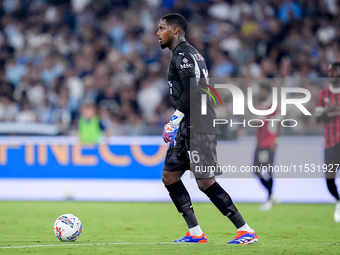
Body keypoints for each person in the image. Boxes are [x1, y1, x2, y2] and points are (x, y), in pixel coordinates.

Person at [157, 13, 258, 244]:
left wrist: (174, 119)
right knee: (170, 176)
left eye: (162, 28)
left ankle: (246, 230)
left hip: (198, 125)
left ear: (175, 31)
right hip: (187, 126)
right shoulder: (189, 54)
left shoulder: (182, 54)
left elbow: (192, 90)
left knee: (205, 181)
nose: (157, 33)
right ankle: (195, 233)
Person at [315, 63, 340, 223]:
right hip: (330, 143)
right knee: (329, 180)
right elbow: (317, 118)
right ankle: (338, 201)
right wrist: (327, 109)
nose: (332, 74)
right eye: (330, 71)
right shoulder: (323, 93)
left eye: (335, 71)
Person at [253, 83, 280, 211]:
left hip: (269, 143)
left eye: (261, 91)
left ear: (266, 92)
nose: (259, 93)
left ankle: (269, 198)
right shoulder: (260, 106)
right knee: (256, 169)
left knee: (268, 169)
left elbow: (279, 123)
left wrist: (276, 140)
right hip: (260, 143)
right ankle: (272, 195)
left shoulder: (272, 106)